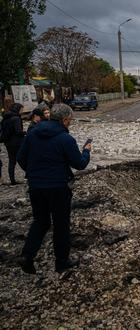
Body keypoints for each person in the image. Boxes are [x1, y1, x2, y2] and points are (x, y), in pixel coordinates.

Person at [16, 104, 92, 274]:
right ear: (65, 120)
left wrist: (34, 173)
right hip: (58, 187)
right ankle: (61, 262)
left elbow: (21, 158)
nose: (70, 123)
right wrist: (86, 151)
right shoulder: (65, 139)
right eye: (70, 120)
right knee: (61, 224)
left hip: (35, 186)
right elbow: (79, 164)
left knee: (40, 221)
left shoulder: (33, 133)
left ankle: (27, 256)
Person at [0, 103, 26, 185]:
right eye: (21, 109)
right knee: (23, 159)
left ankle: (12, 180)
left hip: (8, 142)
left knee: (11, 161)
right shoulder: (16, 118)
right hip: (17, 142)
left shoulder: (5, 118)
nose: (22, 111)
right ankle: (29, 175)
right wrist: (24, 132)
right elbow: (18, 131)